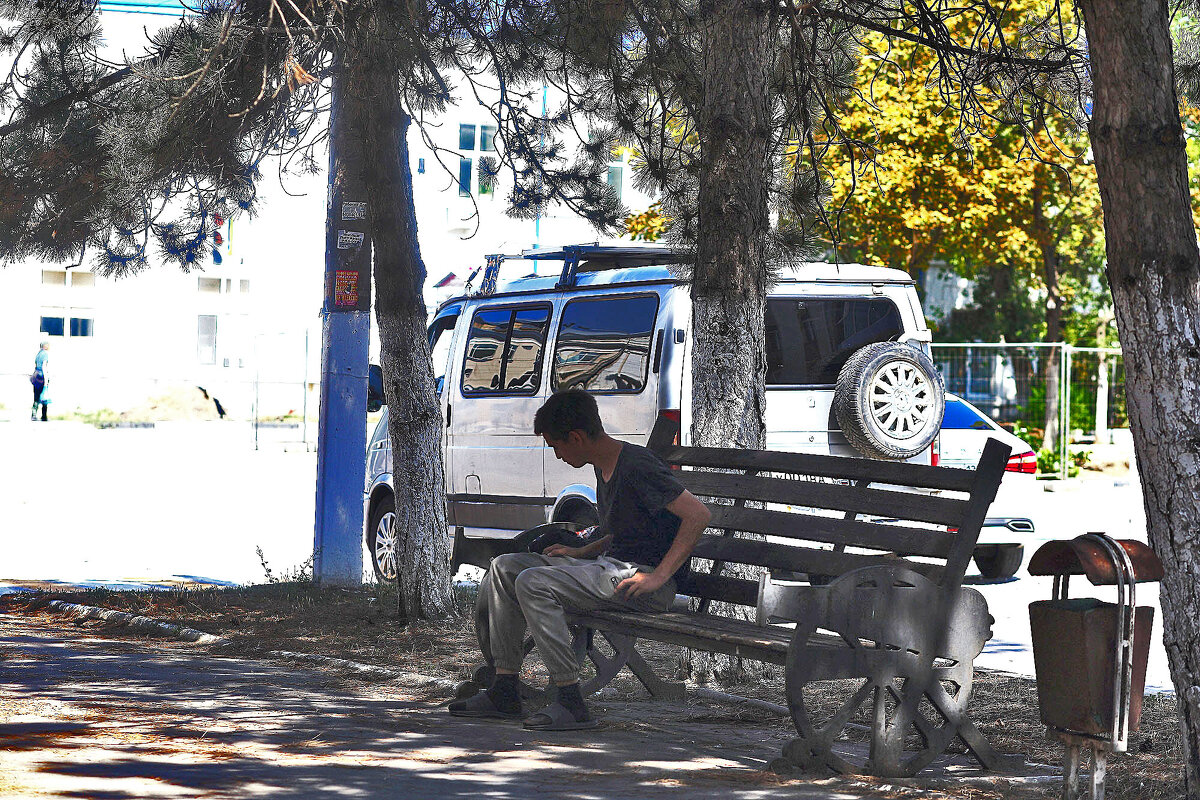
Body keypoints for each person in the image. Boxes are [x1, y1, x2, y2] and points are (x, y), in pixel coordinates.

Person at [449, 389, 712, 730]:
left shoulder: (638, 466)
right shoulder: (605, 466)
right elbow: (621, 532)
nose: (556, 455)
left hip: (641, 581)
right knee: (505, 568)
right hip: (608, 570)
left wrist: (659, 577)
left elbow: (698, 515)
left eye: (556, 446)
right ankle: (505, 688)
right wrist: (579, 552)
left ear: (576, 437)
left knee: (532, 582)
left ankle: (570, 700)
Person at [30, 341, 50, 422]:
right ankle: (44, 416)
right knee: (44, 396)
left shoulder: (38, 354)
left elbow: (35, 365)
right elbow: (44, 367)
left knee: (36, 397)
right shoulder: (45, 354)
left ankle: (33, 415)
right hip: (42, 377)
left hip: (36, 377)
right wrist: (46, 381)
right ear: (45, 346)